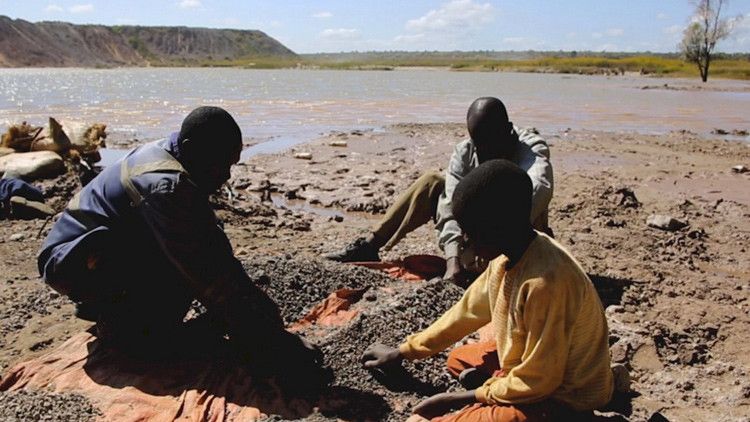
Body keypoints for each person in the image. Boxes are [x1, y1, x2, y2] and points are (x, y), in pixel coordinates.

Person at [38, 106, 327, 386]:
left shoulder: (174, 154)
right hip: (72, 262)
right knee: (182, 271)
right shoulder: (165, 184)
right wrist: (272, 339)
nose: (226, 176)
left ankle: (117, 312)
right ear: (192, 148)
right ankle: (119, 328)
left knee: (198, 242)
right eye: (221, 164)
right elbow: (208, 271)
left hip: (102, 251)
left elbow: (213, 248)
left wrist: (255, 316)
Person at [361, 160, 613, 421]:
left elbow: (540, 382)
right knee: (458, 360)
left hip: (563, 396)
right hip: (541, 371)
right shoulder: (505, 258)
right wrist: (404, 351)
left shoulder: (545, 283)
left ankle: (508, 396)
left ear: (498, 228)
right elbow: (465, 313)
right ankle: (501, 386)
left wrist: (461, 398)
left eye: (470, 231)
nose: (465, 241)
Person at [324, 97, 553, 287]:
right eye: (480, 147)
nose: (485, 154)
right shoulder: (465, 151)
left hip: (515, 236)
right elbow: (451, 204)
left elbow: (536, 191)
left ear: (507, 131)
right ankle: (371, 245)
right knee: (433, 182)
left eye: (492, 146)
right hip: (475, 236)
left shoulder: (531, 148)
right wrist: (452, 258)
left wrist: (490, 241)